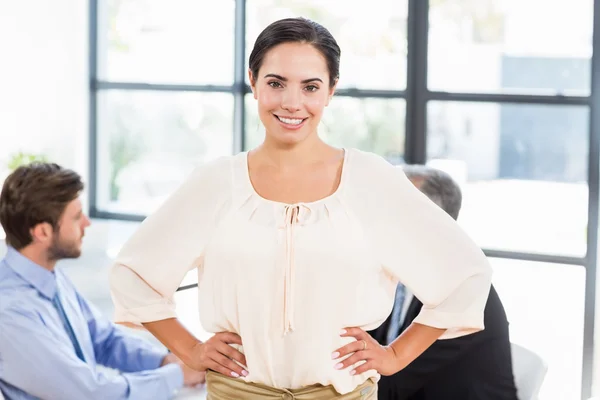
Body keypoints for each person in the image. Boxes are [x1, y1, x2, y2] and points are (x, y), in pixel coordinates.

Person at [109, 17, 493, 399]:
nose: (292, 103)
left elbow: (465, 274)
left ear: (331, 91)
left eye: (310, 87)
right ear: (253, 82)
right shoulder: (216, 183)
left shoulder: (371, 180)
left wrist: (395, 355)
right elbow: (133, 274)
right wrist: (191, 350)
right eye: (276, 83)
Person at [0, 163, 205, 400]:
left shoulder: (50, 277)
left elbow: (104, 340)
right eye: (76, 217)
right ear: (43, 233)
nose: (87, 223)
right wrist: (176, 375)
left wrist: (163, 361)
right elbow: (87, 393)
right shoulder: (10, 312)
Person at [370, 165, 518, 400]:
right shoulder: (399, 275)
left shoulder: (462, 289)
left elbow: (391, 389)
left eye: (397, 209)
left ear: (434, 223)